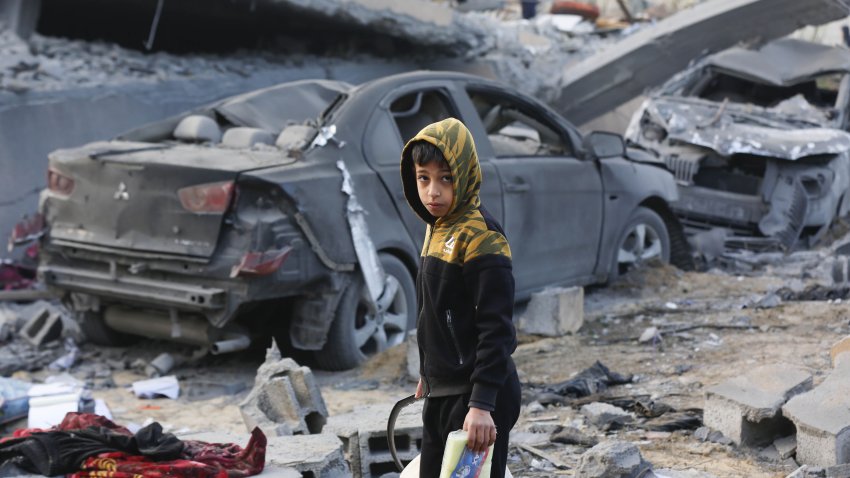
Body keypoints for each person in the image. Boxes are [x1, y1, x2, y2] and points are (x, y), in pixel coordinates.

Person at [399, 117, 521, 478]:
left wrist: (482, 404)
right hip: (444, 392)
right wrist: (429, 371)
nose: (432, 191)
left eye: (445, 178)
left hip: (477, 397)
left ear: (465, 174)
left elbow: (496, 328)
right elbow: (436, 312)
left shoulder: (483, 237)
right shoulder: (438, 227)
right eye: (424, 178)